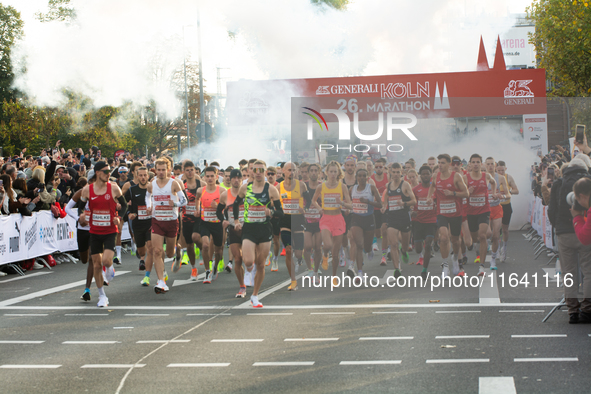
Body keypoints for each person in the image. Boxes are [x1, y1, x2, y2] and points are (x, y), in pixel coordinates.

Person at [233, 160, 283, 307]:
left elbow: (281, 212)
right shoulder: (245, 188)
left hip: (264, 229)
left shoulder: (271, 190)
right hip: (249, 228)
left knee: (260, 265)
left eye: (262, 170)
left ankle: (255, 295)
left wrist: (272, 211)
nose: (259, 173)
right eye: (256, 170)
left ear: (266, 172)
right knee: (248, 261)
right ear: (251, 172)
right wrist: (236, 221)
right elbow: (236, 204)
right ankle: (249, 270)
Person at [549, 156, 591, 323]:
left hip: (564, 232)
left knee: (569, 273)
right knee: (588, 271)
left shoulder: (559, 183)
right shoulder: (588, 181)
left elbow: (551, 209)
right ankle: (587, 308)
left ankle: (572, 310)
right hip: (586, 230)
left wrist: (558, 227)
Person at [79, 161, 127, 307]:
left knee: (106, 261)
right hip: (94, 231)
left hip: (110, 231)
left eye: (109, 171)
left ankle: (110, 267)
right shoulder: (87, 190)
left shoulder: (113, 188)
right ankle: (102, 296)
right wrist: (81, 216)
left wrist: (118, 218)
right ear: (98, 173)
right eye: (106, 172)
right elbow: (80, 207)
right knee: (96, 265)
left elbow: (124, 205)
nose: (108, 174)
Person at [310, 161, 353, 286]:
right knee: (327, 245)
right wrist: (319, 209)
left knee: (335, 254)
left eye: (335, 171)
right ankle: (324, 254)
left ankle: (334, 276)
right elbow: (313, 201)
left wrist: (342, 203)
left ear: (339, 173)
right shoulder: (321, 186)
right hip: (326, 219)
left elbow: (350, 205)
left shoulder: (342, 186)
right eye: (331, 171)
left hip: (338, 219)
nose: (333, 174)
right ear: (326, 173)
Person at [426, 154, 469, 278]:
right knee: (444, 238)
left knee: (455, 240)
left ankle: (455, 259)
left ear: (449, 164)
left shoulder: (456, 176)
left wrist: (453, 193)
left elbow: (466, 193)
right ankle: (445, 265)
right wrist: (429, 197)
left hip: (455, 212)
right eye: (439, 162)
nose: (440, 165)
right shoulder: (435, 176)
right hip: (442, 212)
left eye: (443, 163)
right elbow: (432, 186)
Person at [149, 158, 187, 294]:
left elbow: (184, 201)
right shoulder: (152, 184)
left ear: (168, 169)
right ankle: (161, 281)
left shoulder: (174, 183)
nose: (161, 172)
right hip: (157, 220)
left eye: (163, 169)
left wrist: (175, 204)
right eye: (158, 170)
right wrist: (149, 206)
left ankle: (177, 252)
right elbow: (147, 197)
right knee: (157, 251)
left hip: (171, 221)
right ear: (155, 170)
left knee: (169, 253)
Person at [65, 170, 95, 301]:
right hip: (82, 229)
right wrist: (78, 218)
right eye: (92, 180)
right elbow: (67, 208)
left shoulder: (103, 193)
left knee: (93, 259)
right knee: (84, 259)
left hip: (96, 229)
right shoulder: (81, 193)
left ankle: (87, 289)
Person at [382, 163, 416, 278]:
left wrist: (404, 203)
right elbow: (386, 199)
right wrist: (384, 206)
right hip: (392, 218)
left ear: (401, 173)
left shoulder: (405, 184)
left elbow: (414, 201)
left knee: (405, 246)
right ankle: (397, 268)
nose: (396, 174)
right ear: (390, 172)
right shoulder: (388, 185)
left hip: (404, 218)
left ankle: (404, 251)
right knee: (394, 244)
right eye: (394, 172)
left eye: (398, 172)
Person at [465, 154, 497, 273]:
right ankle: (476, 246)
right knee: (475, 238)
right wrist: (468, 191)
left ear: (481, 164)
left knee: (483, 235)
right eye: (473, 162)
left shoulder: (486, 176)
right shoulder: (466, 178)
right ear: (470, 164)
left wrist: (493, 192)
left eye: (478, 162)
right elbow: (461, 191)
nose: (476, 164)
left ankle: (482, 266)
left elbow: (493, 182)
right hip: (471, 211)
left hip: (484, 210)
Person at [278, 162, 307, 290]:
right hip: (285, 220)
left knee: (299, 253)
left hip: (298, 219)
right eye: (289, 170)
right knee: (288, 250)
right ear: (283, 171)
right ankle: (293, 280)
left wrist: (304, 208)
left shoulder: (301, 185)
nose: (292, 172)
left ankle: (299, 258)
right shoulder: (278, 187)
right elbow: (274, 204)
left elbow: (309, 200)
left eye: (294, 170)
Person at [217, 169, 246, 297]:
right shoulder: (225, 195)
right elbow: (218, 211)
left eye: (238, 178)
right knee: (238, 259)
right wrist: (223, 220)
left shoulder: (247, 193)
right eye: (233, 178)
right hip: (233, 230)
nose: (236, 180)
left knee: (248, 260)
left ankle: (250, 272)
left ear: (241, 180)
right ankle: (242, 286)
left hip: (247, 229)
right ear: (230, 179)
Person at [349, 168, 382, 278]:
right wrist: (346, 208)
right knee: (358, 245)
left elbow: (380, 204)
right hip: (356, 219)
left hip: (369, 219)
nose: (362, 178)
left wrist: (368, 202)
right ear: (356, 178)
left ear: (367, 178)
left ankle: (369, 250)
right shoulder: (352, 189)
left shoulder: (371, 188)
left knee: (366, 248)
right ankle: (359, 272)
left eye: (364, 176)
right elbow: (348, 203)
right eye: (360, 176)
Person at [197, 166, 227, 283]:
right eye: (207, 176)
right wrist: (197, 209)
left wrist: (219, 207)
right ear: (204, 177)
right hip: (205, 222)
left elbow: (228, 205)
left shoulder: (222, 191)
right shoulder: (201, 190)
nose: (209, 179)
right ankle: (207, 270)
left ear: (216, 177)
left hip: (218, 223)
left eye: (212, 176)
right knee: (205, 246)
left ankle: (215, 264)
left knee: (218, 250)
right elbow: (197, 200)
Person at [127, 167, 155, 285]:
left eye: (145, 175)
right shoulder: (132, 190)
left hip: (150, 222)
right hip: (138, 223)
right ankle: (142, 259)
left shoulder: (153, 189)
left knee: (150, 246)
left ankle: (146, 273)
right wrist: (129, 214)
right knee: (141, 249)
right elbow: (126, 204)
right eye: (141, 175)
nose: (143, 177)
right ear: (137, 176)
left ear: (148, 176)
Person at [411, 165, 437, 280]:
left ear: (431, 175)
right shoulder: (415, 189)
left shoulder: (435, 189)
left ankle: (424, 270)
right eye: (423, 174)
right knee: (418, 248)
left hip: (431, 221)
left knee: (427, 244)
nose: (425, 176)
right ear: (420, 176)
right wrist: (412, 211)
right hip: (418, 221)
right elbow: (411, 203)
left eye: (428, 174)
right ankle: (421, 251)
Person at [181, 161, 203, 280]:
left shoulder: (201, 184)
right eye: (187, 170)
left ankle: (203, 250)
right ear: (184, 172)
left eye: (191, 169)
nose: (190, 172)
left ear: (195, 170)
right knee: (189, 245)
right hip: (186, 218)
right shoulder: (181, 185)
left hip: (199, 218)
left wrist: (201, 210)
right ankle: (194, 268)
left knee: (196, 237)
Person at [497, 160, 519, 262]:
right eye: (499, 170)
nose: (501, 172)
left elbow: (516, 190)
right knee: (496, 229)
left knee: (505, 229)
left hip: (506, 206)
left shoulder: (508, 177)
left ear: (505, 169)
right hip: (496, 206)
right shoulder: (493, 178)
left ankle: (504, 248)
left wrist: (508, 191)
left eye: (502, 170)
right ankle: (496, 248)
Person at [371, 157, 389, 264]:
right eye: (376, 167)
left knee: (385, 229)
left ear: (383, 167)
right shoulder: (371, 179)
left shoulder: (388, 178)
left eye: (380, 167)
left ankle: (384, 256)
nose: (378, 169)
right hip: (375, 208)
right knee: (378, 233)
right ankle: (375, 241)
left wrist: (385, 203)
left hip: (386, 208)